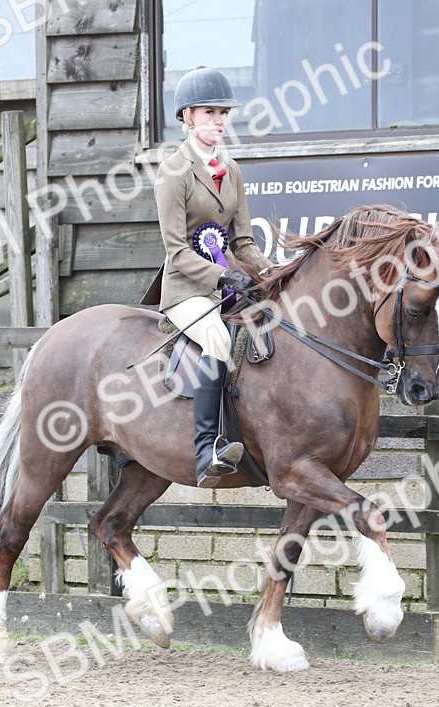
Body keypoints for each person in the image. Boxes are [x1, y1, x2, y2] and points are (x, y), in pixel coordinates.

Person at [141, 66, 274, 488]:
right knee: (217, 336)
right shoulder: (173, 172)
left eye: (223, 112)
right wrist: (222, 276)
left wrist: (272, 271)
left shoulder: (231, 170)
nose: (218, 120)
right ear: (186, 117)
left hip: (227, 283)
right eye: (208, 112)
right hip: (186, 290)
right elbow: (176, 251)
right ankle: (206, 451)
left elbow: (244, 241)